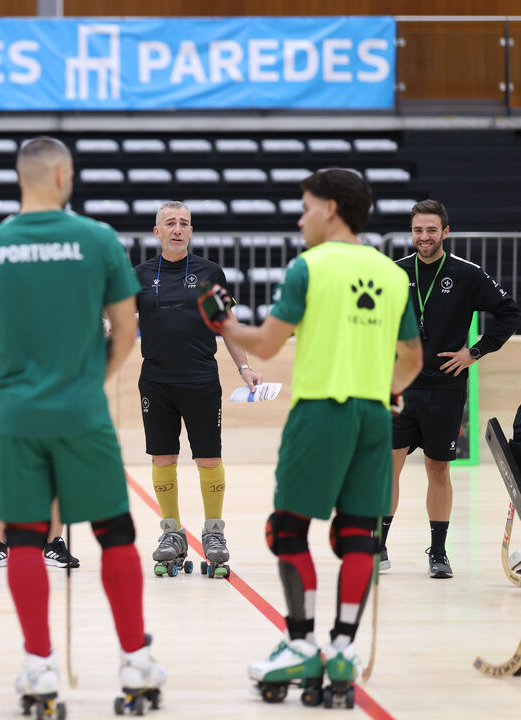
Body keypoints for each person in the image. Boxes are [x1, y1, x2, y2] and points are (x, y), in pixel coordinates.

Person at [0, 137, 165, 713]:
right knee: (115, 534)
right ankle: (135, 661)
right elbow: (126, 331)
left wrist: (16, 373)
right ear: (61, 174)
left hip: (18, 413)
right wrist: (88, 378)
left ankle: (39, 668)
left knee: (22, 537)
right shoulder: (98, 240)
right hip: (82, 411)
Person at [197, 169, 422, 702]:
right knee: (357, 537)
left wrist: (223, 322)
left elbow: (268, 344)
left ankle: (300, 646)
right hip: (373, 415)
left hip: (322, 413)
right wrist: (385, 388)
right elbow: (412, 357)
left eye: (304, 207)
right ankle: (343, 648)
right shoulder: (392, 275)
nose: (299, 219)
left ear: (330, 208)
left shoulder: (310, 268)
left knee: (288, 530)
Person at [385, 200, 520, 578]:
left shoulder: (467, 274)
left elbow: (509, 313)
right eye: (417, 230)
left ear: (445, 232)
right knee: (387, 468)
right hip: (400, 389)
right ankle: (378, 547)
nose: (423, 237)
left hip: (445, 390)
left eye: (431, 230)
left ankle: (439, 553)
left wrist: (474, 352)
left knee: (438, 469)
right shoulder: (393, 274)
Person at [134, 201, 265, 577]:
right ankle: (171, 533)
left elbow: (226, 324)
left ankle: (213, 533)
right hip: (156, 380)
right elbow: (121, 323)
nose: (177, 229)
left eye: (184, 223)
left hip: (201, 378)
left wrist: (244, 367)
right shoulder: (139, 275)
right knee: (163, 457)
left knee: (207, 457)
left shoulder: (210, 272)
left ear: (191, 231)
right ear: (157, 232)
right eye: (170, 223)